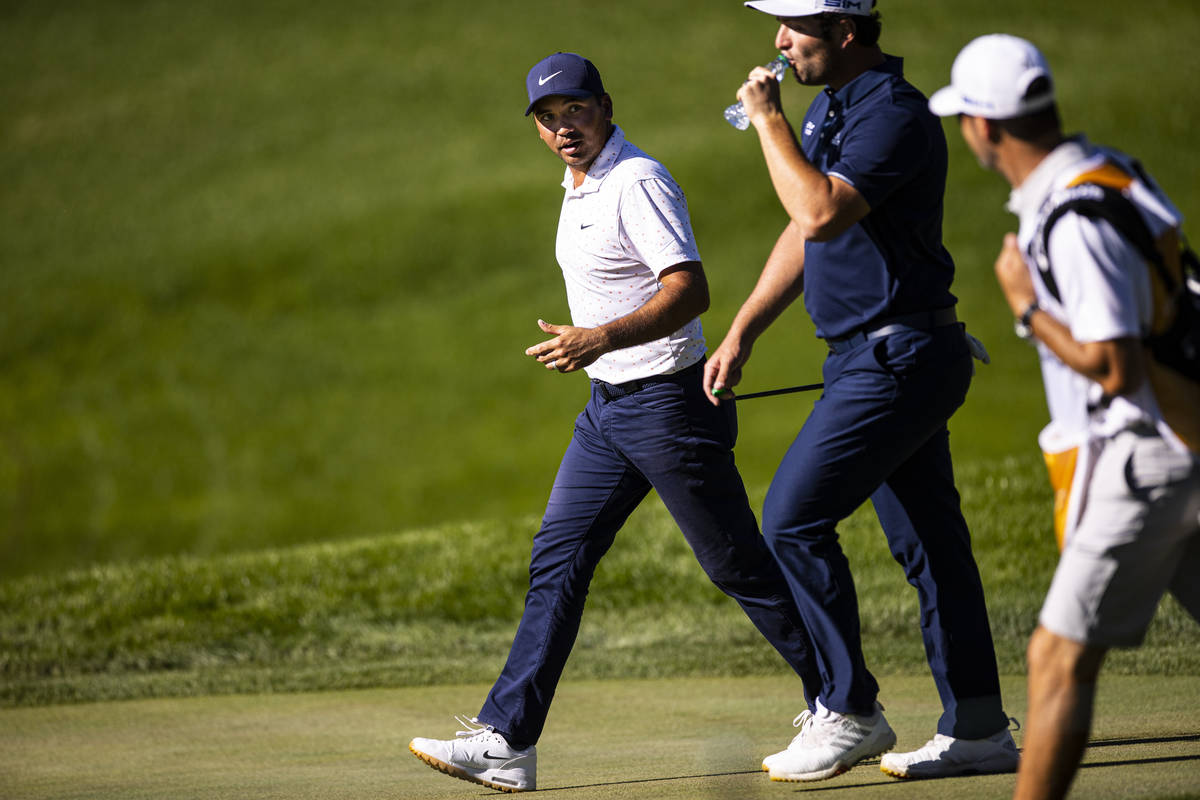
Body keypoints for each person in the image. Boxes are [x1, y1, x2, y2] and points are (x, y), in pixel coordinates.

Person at [408, 51, 823, 793]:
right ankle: (507, 741)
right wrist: (600, 353)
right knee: (557, 561)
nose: (563, 127)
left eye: (574, 109)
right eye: (547, 117)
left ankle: (842, 699)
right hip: (608, 411)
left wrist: (599, 337)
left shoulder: (638, 180)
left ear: (603, 105)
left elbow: (690, 291)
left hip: (665, 405)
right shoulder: (579, 187)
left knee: (737, 566)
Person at [702, 0, 1019, 782]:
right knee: (928, 546)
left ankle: (848, 710)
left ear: (846, 33)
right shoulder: (833, 109)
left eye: (795, 28)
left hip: (900, 357)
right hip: (867, 356)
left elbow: (817, 209)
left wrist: (768, 120)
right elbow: (804, 230)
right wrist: (745, 327)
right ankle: (978, 725)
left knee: (791, 517)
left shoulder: (895, 114)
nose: (778, 43)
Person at [929, 34, 1200, 800]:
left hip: (1147, 455)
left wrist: (1024, 308)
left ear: (984, 127)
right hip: (1185, 440)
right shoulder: (1114, 173)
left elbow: (1115, 365)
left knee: (1055, 659)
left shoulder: (1073, 218)